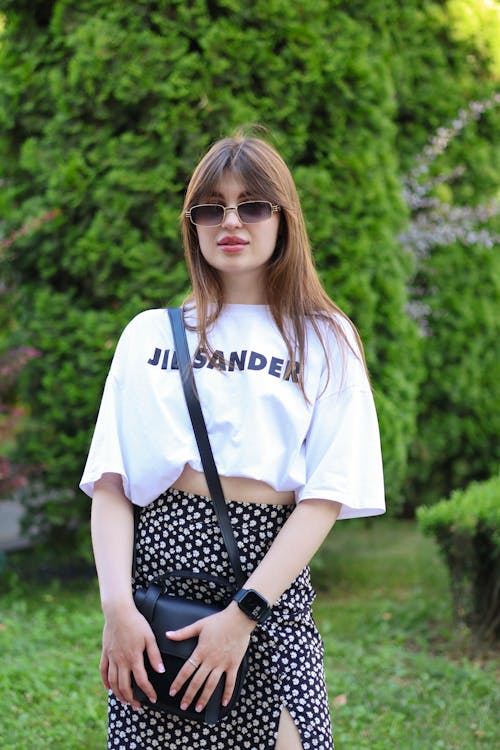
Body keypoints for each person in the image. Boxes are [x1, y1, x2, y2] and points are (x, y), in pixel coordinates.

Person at [80, 133, 385, 750]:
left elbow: (324, 495)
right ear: (192, 225)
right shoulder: (147, 336)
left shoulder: (324, 338)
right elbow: (112, 483)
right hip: (155, 604)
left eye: (252, 205)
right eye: (210, 208)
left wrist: (243, 615)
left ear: (284, 218)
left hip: (265, 595)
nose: (231, 222)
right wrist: (117, 608)